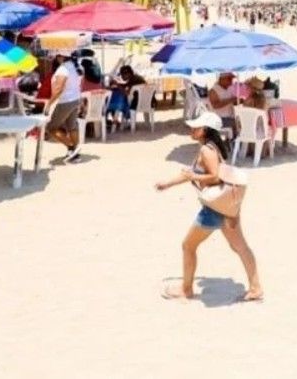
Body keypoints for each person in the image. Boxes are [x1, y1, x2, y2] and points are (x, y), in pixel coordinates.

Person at [155, 112, 262, 302]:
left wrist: (194, 178)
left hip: (213, 209)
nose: (192, 129)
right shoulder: (213, 148)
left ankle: (186, 290)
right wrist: (167, 183)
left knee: (188, 246)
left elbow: (214, 177)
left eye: (196, 127)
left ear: (205, 130)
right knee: (240, 247)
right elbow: (191, 173)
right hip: (226, 206)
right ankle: (256, 288)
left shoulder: (207, 151)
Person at [45, 52, 83, 163]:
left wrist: (49, 104)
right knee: (72, 126)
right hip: (75, 99)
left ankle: (71, 147)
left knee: (51, 128)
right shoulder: (77, 66)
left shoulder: (63, 69)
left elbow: (59, 89)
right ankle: (75, 155)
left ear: (61, 57)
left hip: (65, 101)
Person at [106, 65, 146, 131]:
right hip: (146, 101)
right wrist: (118, 84)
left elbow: (126, 93)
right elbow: (127, 86)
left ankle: (115, 121)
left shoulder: (133, 80)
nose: (121, 77)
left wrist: (118, 85)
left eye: (122, 75)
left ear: (128, 74)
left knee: (119, 101)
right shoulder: (135, 78)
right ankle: (119, 121)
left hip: (137, 103)